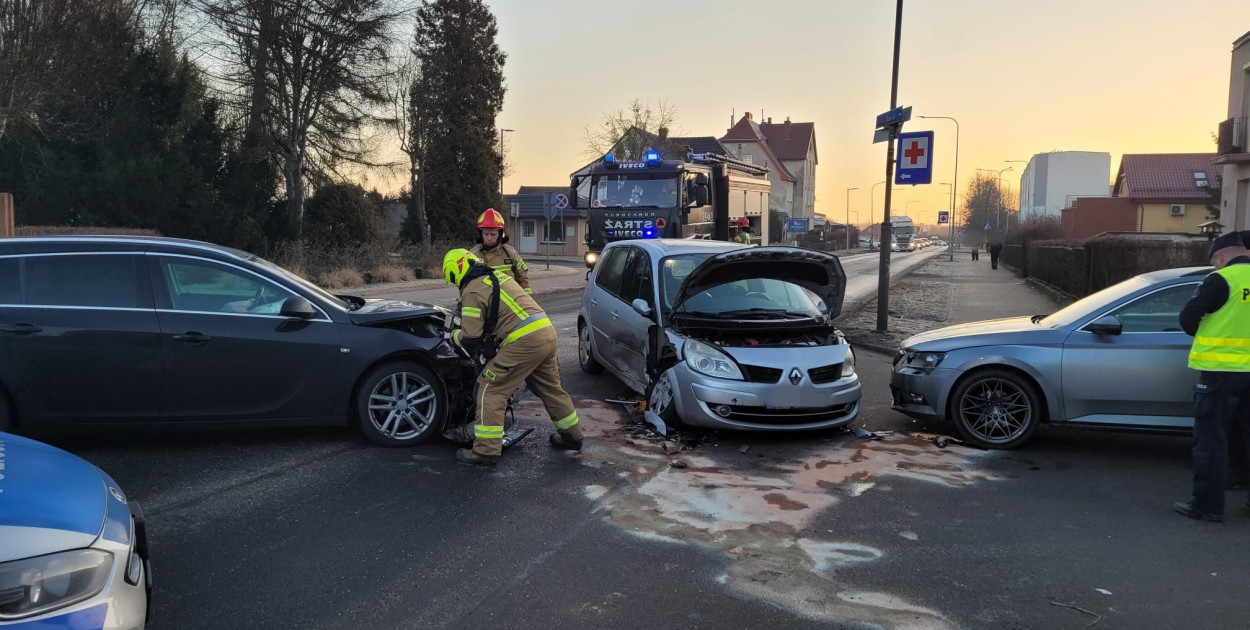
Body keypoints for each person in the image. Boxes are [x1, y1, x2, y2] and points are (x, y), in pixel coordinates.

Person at [442, 249, 584, 466]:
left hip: (523, 341)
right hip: (545, 333)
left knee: (489, 388)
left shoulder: (472, 290)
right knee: (550, 388)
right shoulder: (498, 276)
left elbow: (471, 337)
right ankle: (572, 435)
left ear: (454, 273)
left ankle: (486, 450)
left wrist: (452, 336)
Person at [1173, 232, 1250, 521]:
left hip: (1221, 374)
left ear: (1219, 257)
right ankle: (1238, 479)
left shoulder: (1221, 280)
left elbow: (1188, 320)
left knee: (1211, 439)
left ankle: (1207, 506)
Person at [468, 208, 531, 293]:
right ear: (481, 234)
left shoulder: (510, 253)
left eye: (493, 234)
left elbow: (523, 279)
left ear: (500, 234)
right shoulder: (472, 255)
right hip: (484, 304)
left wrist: (526, 301)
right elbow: (465, 285)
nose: (489, 238)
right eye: (486, 234)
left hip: (509, 302)